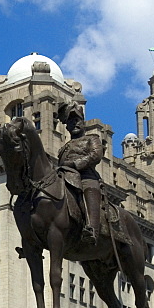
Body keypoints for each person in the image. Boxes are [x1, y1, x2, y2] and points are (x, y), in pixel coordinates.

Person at [56, 101, 103, 243]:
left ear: (83, 122)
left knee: (89, 190)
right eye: (70, 122)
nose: (74, 124)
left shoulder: (92, 139)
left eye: (77, 120)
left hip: (86, 176)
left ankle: (92, 229)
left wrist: (75, 164)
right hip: (66, 178)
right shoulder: (63, 148)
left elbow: (96, 155)